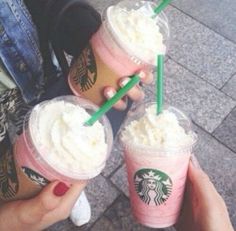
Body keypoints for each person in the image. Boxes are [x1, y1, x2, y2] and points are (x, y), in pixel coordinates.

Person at [0, 0, 151, 229]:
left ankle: (59, 172)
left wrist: (95, 37)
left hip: (31, 74)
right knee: (10, 170)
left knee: (55, 138)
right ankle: (25, 186)